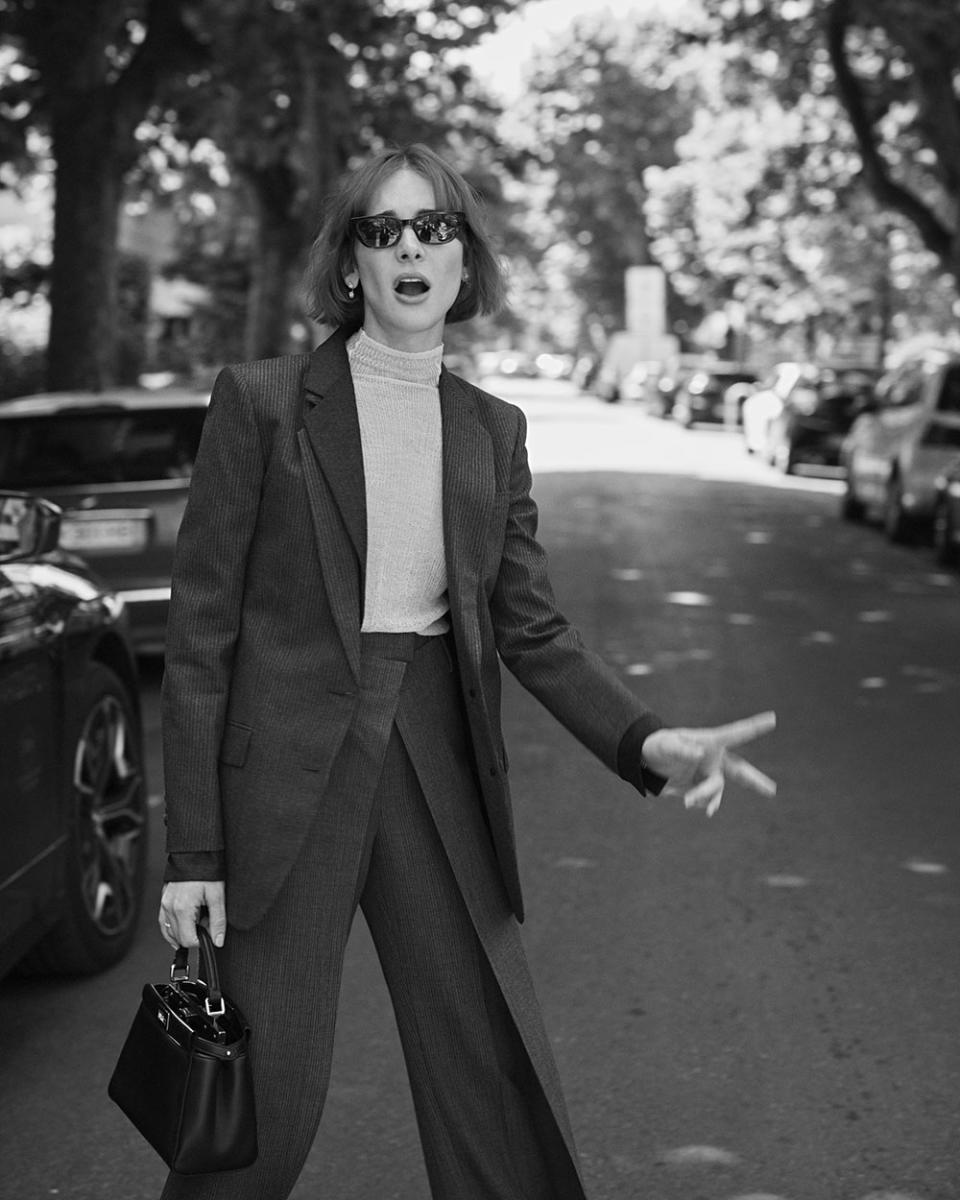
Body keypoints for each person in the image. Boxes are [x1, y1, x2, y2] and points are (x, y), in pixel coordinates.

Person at [158, 142, 776, 1200]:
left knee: (487, 1067)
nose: (410, 249)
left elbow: (533, 630)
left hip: (435, 753)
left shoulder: (493, 430)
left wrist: (645, 738)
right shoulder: (262, 406)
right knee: (256, 1107)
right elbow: (202, 635)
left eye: (433, 229)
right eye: (382, 229)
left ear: (463, 261)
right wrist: (195, 853)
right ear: (349, 265)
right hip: (291, 778)